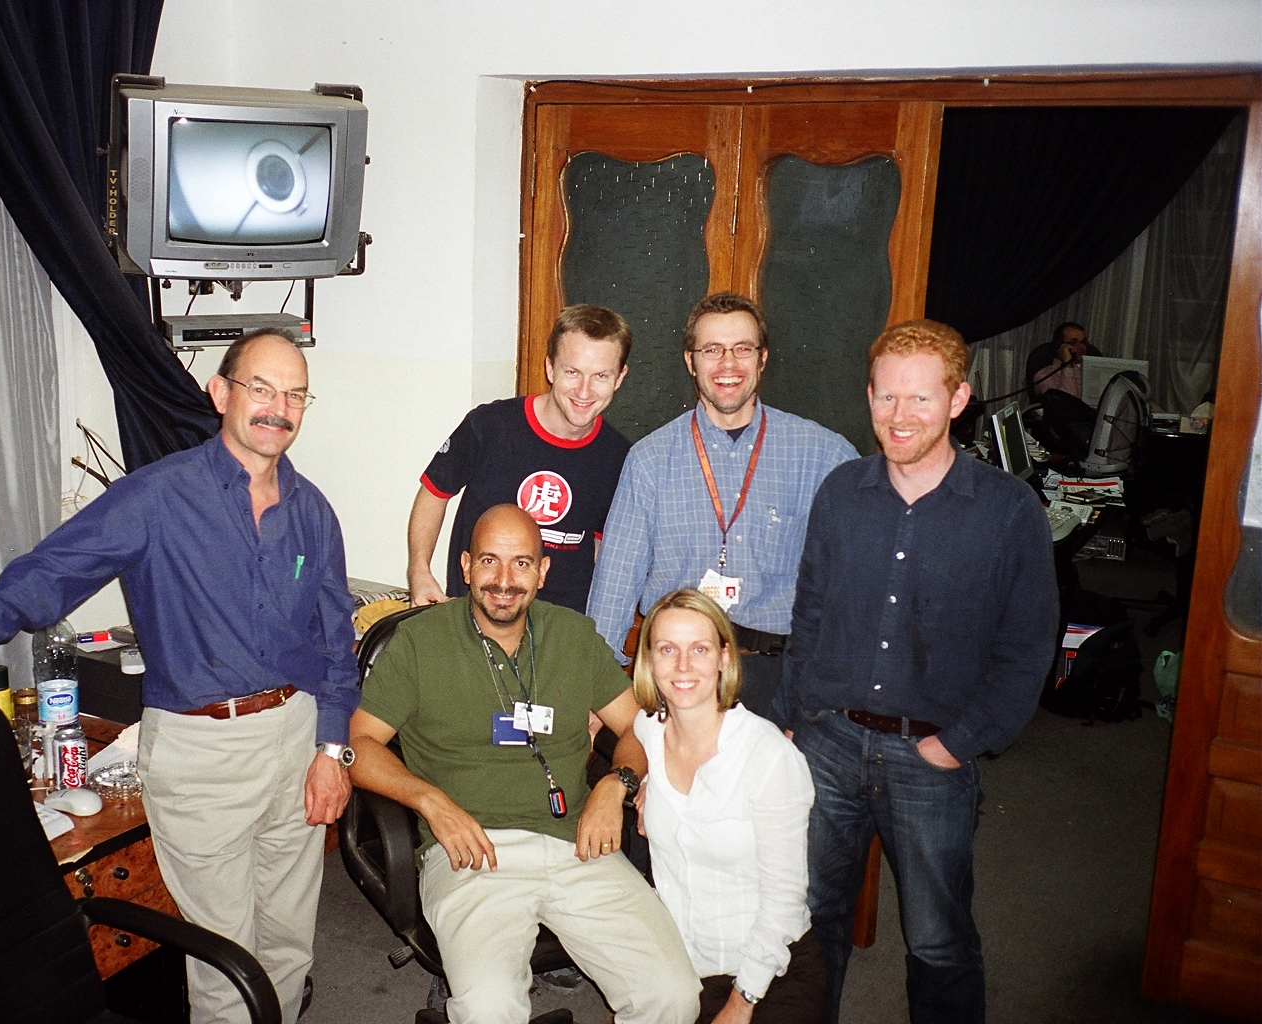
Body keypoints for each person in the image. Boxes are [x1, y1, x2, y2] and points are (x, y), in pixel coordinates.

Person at [0, 330, 361, 1024]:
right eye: (260, 388)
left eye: (294, 394)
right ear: (221, 393)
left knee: (292, 947)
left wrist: (333, 750)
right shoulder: (157, 498)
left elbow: (334, 643)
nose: (278, 407)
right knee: (225, 965)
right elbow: (41, 576)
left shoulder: (313, 511)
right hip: (204, 754)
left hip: (298, 740)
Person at [776, 319, 1057, 1024]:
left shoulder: (1008, 511)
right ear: (868, 396)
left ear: (959, 399)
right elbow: (808, 611)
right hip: (829, 747)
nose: (899, 417)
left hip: (933, 759)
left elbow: (1028, 646)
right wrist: (797, 715)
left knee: (938, 942)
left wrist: (960, 742)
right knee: (810, 925)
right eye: (885, 398)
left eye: (921, 399)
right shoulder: (841, 491)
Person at [350, 505, 700, 1024]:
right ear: (466, 566)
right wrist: (432, 803)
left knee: (674, 997)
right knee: (490, 1009)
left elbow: (641, 726)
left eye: (521, 564)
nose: (504, 581)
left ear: (542, 571)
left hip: (576, 843)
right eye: (489, 562)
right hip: (470, 853)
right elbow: (360, 745)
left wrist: (615, 785)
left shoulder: (572, 636)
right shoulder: (421, 644)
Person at [587, 292, 857, 722]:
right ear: (691, 361)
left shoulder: (824, 456)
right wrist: (595, 697)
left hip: (780, 680)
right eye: (712, 350)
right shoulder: (649, 460)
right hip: (679, 675)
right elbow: (614, 587)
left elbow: (856, 585)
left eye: (742, 349)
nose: (727, 364)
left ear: (762, 357)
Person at [632, 588, 827, 1024]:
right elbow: (623, 732)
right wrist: (638, 782)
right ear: (650, 661)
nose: (682, 666)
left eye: (698, 649)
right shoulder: (648, 729)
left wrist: (742, 1002)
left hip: (770, 969)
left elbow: (784, 899)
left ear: (724, 657)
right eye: (667, 649)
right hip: (681, 968)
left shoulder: (769, 757)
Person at [408, 304, 633, 613]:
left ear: (620, 377)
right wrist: (419, 570)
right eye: (572, 372)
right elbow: (434, 492)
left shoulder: (619, 457)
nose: (584, 390)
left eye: (600, 376)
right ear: (550, 368)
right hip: (476, 617)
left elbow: (601, 550)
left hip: (557, 629)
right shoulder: (489, 426)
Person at [1029, 321, 1098, 400]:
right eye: (1074, 342)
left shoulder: (1092, 371)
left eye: (1083, 342)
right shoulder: (1044, 375)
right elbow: (1067, 404)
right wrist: (1067, 365)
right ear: (1059, 345)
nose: (1081, 347)